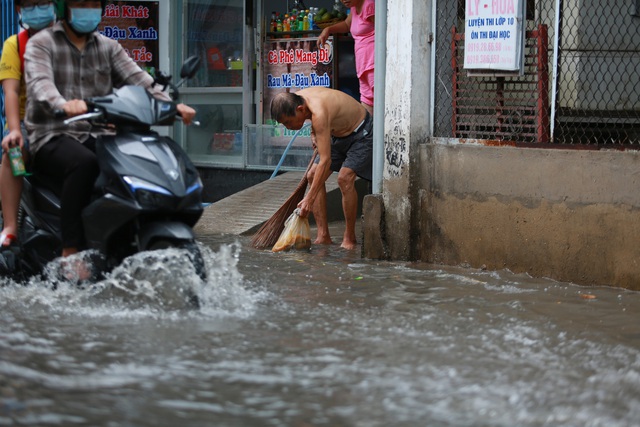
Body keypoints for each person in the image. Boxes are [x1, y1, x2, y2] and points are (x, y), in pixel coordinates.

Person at [24, 0, 196, 260]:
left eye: (93, 3)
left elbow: (140, 79)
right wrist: (63, 104)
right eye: (81, 3)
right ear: (65, 8)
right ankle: (71, 249)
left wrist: (172, 106)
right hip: (53, 132)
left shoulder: (108, 46)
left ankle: (117, 236)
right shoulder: (42, 44)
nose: (88, 9)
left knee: (133, 161)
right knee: (85, 163)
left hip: (98, 131)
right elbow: (40, 84)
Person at [271, 88, 372, 250]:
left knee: (344, 178)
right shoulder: (298, 98)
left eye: (288, 122)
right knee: (312, 175)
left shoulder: (318, 114)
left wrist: (308, 199)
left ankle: (350, 237)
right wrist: (313, 133)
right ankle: (323, 235)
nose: (288, 127)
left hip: (361, 132)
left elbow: (326, 160)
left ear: (300, 110)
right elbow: (315, 118)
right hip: (336, 134)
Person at [0, 0, 56, 250]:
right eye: (31, 5)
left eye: (43, 3)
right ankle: (10, 225)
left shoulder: (71, 40)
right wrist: (14, 130)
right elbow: (10, 91)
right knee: (13, 154)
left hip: (68, 122)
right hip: (27, 123)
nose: (38, 9)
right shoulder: (15, 44)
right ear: (19, 10)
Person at [317, 0, 375, 116]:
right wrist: (328, 29)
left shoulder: (369, 5)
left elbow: (384, 30)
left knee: (379, 98)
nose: (344, 0)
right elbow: (347, 25)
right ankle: (368, 133)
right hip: (362, 66)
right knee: (367, 101)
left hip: (373, 64)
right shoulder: (354, 7)